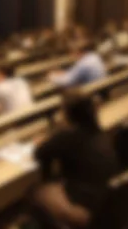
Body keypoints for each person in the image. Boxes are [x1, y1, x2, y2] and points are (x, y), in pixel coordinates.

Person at [32, 93, 119, 228]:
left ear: (68, 114)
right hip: (105, 201)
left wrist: (42, 142)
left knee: (36, 193)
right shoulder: (98, 131)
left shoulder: (68, 136)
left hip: (84, 208)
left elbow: (39, 153)